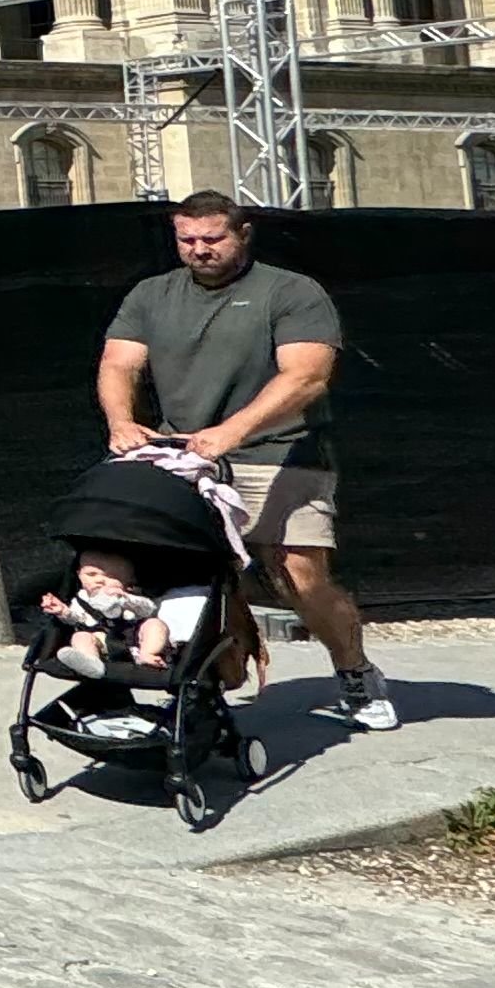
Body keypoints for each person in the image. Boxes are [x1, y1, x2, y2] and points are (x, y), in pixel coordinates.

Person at [99, 192, 386, 729]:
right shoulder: (151, 294)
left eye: (213, 238)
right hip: (185, 459)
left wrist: (230, 433)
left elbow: (307, 376)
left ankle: (354, 671)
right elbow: (119, 363)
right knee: (187, 578)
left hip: (280, 455)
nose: (200, 250)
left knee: (301, 576)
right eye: (187, 240)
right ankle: (200, 682)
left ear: (243, 234)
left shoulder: (290, 291)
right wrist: (121, 423)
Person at [41, 552, 170, 678]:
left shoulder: (131, 597)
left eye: (112, 576)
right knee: (80, 636)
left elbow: (148, 609)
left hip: (136, 641)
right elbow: (77, 618)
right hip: (101, 642)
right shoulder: (81, 600)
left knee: (155, 625)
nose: (100, 580)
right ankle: (91, 663)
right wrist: (63, 611)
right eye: (91, 574)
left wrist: (126, 600)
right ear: (79, 575)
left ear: (129, 583)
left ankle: (148, 654)